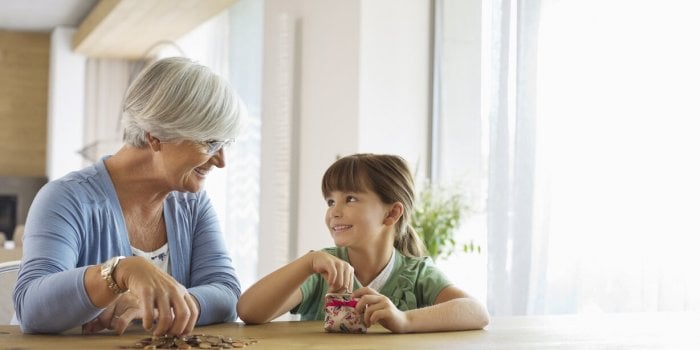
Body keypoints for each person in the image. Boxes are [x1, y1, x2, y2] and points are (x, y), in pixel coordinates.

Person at [13, 57, 245, 336]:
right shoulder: (66, 198)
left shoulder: (191, 204)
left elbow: (226, 292)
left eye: (225, 144)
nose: (220, 161)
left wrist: (164, 308)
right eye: (210, 143)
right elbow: (31, 309)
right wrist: (118, 273)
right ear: (156, 136)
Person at [237, 153, 490, 333]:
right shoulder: (321, 270)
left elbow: (477, 312)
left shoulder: (417, 274)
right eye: (330, 201)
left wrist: (404, 320)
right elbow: (249, 311)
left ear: (391, 213)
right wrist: (307, 261)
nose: (334, 211)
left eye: (350, 199)